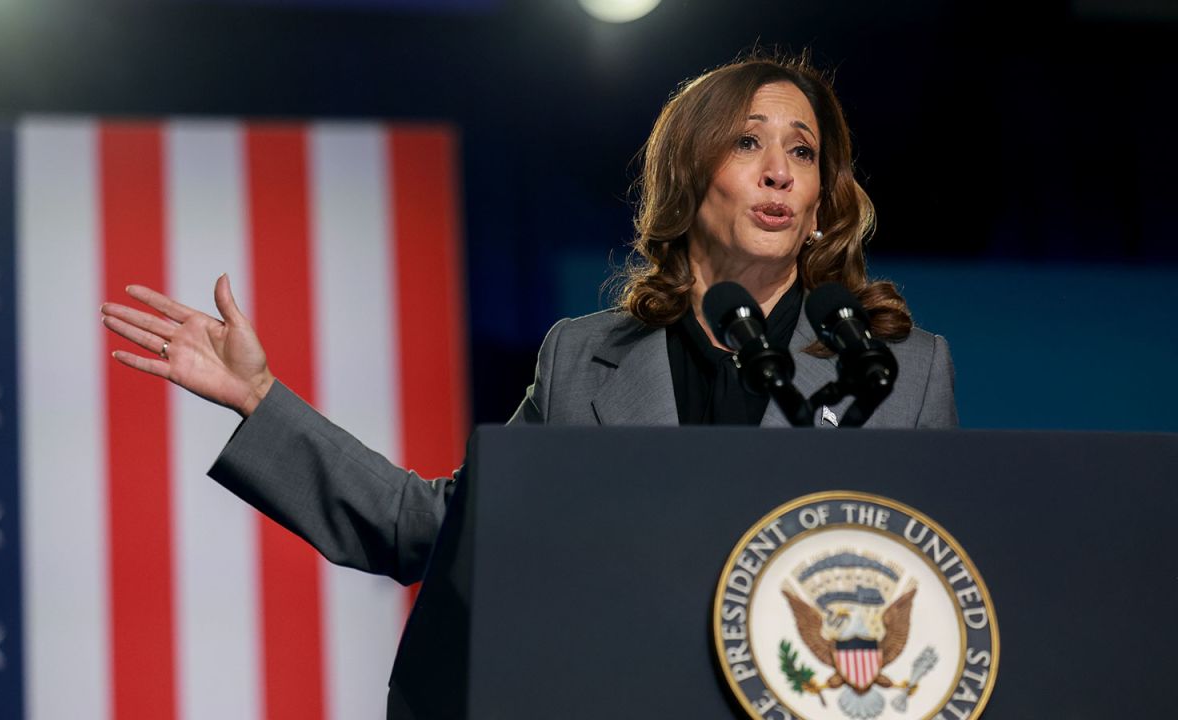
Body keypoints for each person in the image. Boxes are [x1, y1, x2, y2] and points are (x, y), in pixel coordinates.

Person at [99, 55, 957, 586]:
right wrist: (261, 399)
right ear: (687, 181)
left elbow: (942, 586)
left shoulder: (902, 369)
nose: (778, 171)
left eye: (801, 152)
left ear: (819, 205)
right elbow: (434, 533)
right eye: (747, 143)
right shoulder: (583, 361)